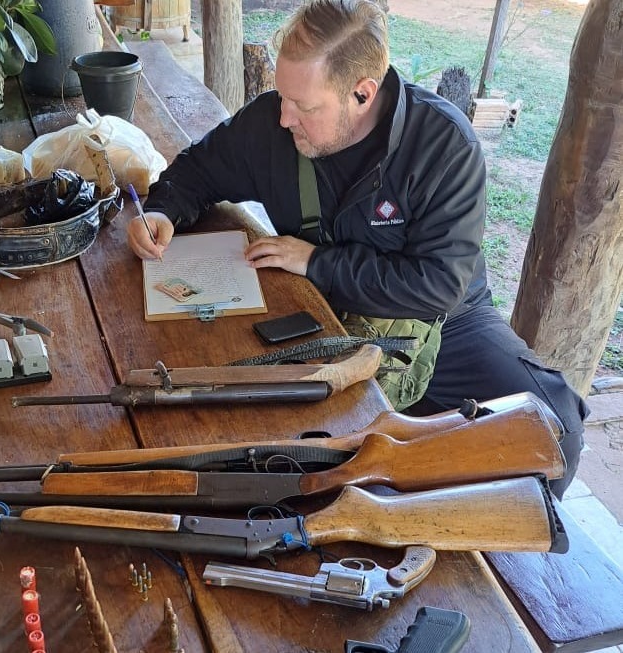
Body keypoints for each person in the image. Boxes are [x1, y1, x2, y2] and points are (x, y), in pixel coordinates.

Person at [125, 0, 586, 497]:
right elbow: (198, 169)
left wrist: (317, 262)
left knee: (554, 421)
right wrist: (162, 211)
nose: (283, 118)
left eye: (304, 106)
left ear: (362, 93)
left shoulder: (444, 147)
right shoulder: (273, 123)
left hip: (439, 323)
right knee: (243, 444)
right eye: (282, 96)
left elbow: (438, 286)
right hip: (314, 313)